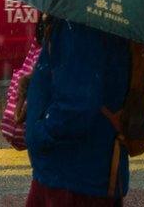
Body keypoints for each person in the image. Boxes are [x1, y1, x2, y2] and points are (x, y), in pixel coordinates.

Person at [25, 16, 131, 206]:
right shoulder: (92, 17)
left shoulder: (78, 24)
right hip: (81, 172)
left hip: (71, 177)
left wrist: (38, 135)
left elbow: (77, 105)